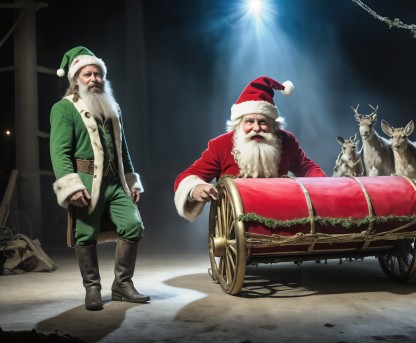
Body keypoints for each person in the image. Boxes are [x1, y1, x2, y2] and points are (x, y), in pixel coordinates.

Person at [50, 46, 150, 310]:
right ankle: (92, 288)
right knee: (85, 234)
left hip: (115, 182)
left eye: (98, 74)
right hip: (84, 180)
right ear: (76, 79)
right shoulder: (64, 109)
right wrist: (70, 187)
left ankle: (122, 284)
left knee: (133, 225)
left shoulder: (112, 107)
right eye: (87, 74)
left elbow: (123, 148)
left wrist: (131, 180)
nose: (94, 79)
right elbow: (59, 152)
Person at [174, 76, 326, 222]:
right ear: (239, 124)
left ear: (273, 125)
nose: (256, 128)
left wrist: (323, 189)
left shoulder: (286, 141)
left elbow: (308, 168)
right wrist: (195, 188)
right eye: (249, 122)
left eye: (262, 122)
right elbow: (188, 176)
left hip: (282, 218)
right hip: (235, 222)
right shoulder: (220, 146)